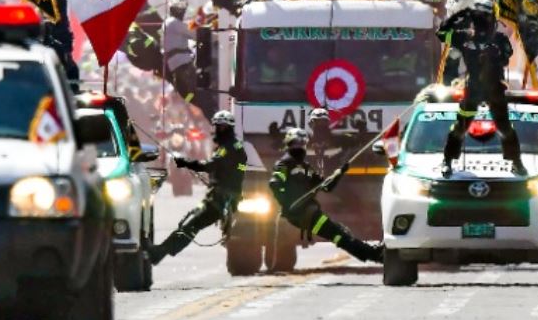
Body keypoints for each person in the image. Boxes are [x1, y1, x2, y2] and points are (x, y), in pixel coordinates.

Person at [149, 111, 250, 264]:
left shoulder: (227, 148)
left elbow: (209, 166)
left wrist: (186, 163)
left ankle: (159, 253)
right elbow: (230, 172)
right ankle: (160, 252)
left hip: (220, 199)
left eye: (218, 127)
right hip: (226, 196)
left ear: (224, 128)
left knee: (191, 225)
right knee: (192, 224)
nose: (216, 130)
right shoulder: (236, 146)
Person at [267, 129, 382, 264]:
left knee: (340, 234)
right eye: (295, 143)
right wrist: (287, 204)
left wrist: (339, 173)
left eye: (302, 143)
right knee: (339, 235)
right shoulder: (284, 164)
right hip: (297, 215)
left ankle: (374, 254)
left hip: (310, 213)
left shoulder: (306, 167)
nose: (299, 147)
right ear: (288, 144)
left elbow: (326, 187)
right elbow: (274, 183)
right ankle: (374, 255)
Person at [439, 0, 519, 169]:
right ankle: (447, 161)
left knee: (505, 128)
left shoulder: (500, 39)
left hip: (494, 89)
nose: (481, 21)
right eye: (477, 17)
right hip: (473, 89)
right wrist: (461, 14)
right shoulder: (463, 37)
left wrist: (494, 55)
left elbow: (506, 58)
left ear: (492, 18)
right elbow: (441, 33)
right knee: (460, 127)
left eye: (485, 17)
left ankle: (516, 162)